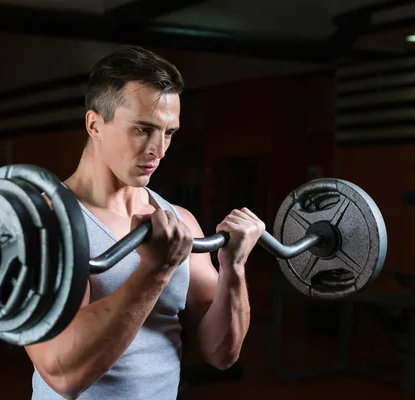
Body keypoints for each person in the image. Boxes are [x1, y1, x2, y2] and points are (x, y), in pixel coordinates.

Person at [25, 45, 265, 400]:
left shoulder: (179, 221)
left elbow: (222, 354)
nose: (159, 149)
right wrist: (155, 272)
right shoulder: (47, 222)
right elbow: (63, 372)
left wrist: (235, 268)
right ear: (94, 124)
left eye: (169, 133)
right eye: (143, 129)